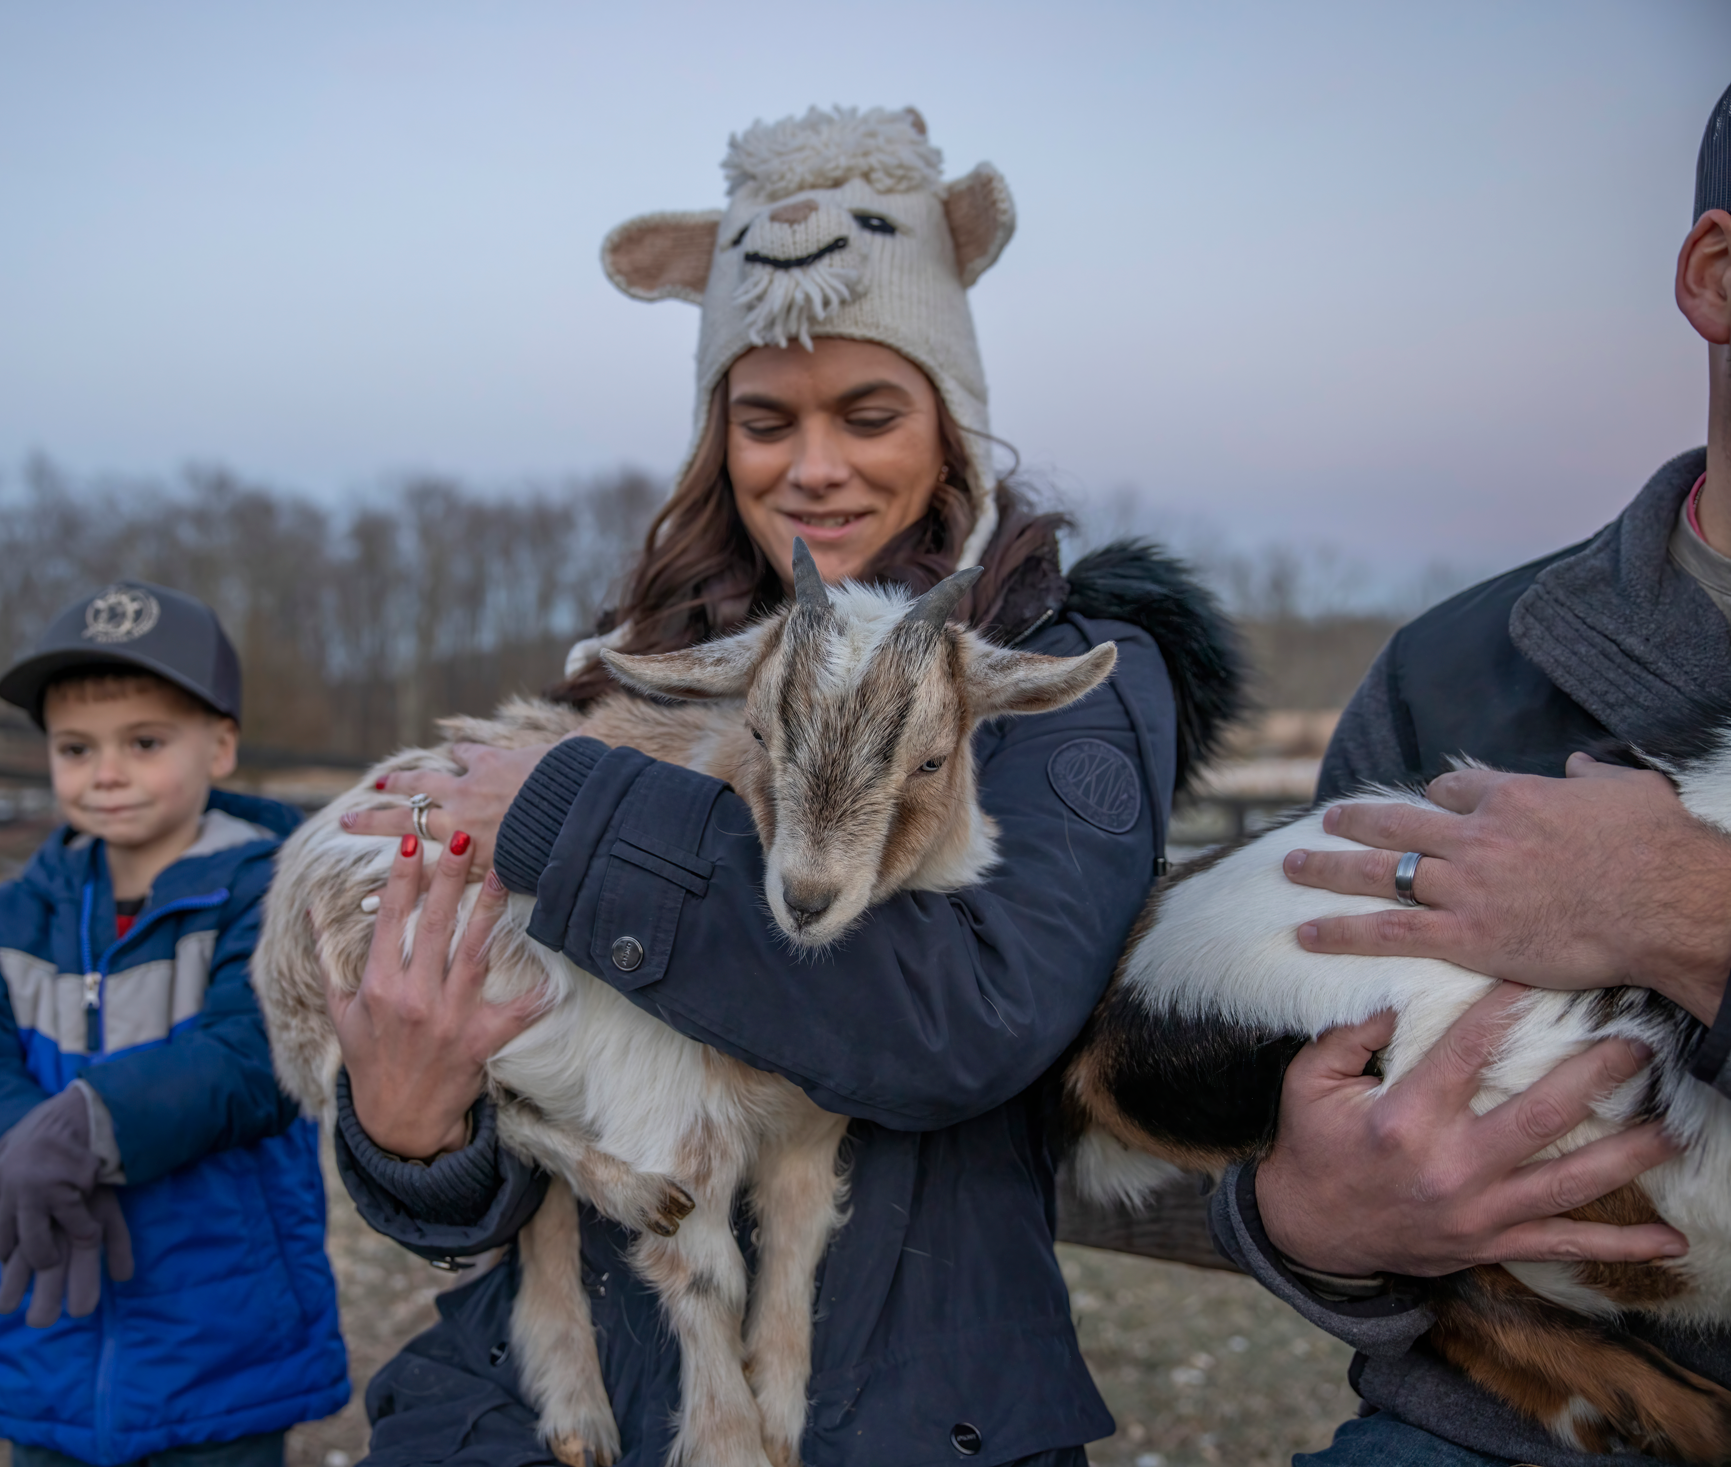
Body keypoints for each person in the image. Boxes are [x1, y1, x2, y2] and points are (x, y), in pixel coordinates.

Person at [325, 106, 1246, 1466]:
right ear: (720, 438)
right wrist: (414, 1139)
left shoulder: (1048, 671)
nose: (814, 466)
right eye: (766, 420)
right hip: (540, 1415)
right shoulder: (646, 668)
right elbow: (496, 989)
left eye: (869, 412)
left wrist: (578, 815)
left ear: (951, 421)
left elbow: (974, 1016)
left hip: (876, 1420)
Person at [1200, 83, 1731, 1466]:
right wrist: (1316, 1228)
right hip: (1522, 1425)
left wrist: (1691, 909)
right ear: (1718, 277)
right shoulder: (1455, 669)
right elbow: (1294, 1115)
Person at [0, 581, 349, 1466]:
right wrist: (13, 1147)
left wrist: (90, 1123)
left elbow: (255, 1052)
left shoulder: (272, 893)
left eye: (144, 742)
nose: (105, 772)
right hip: (50, 1338)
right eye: (75, 747)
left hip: (221, 1348)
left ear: (219, 744)